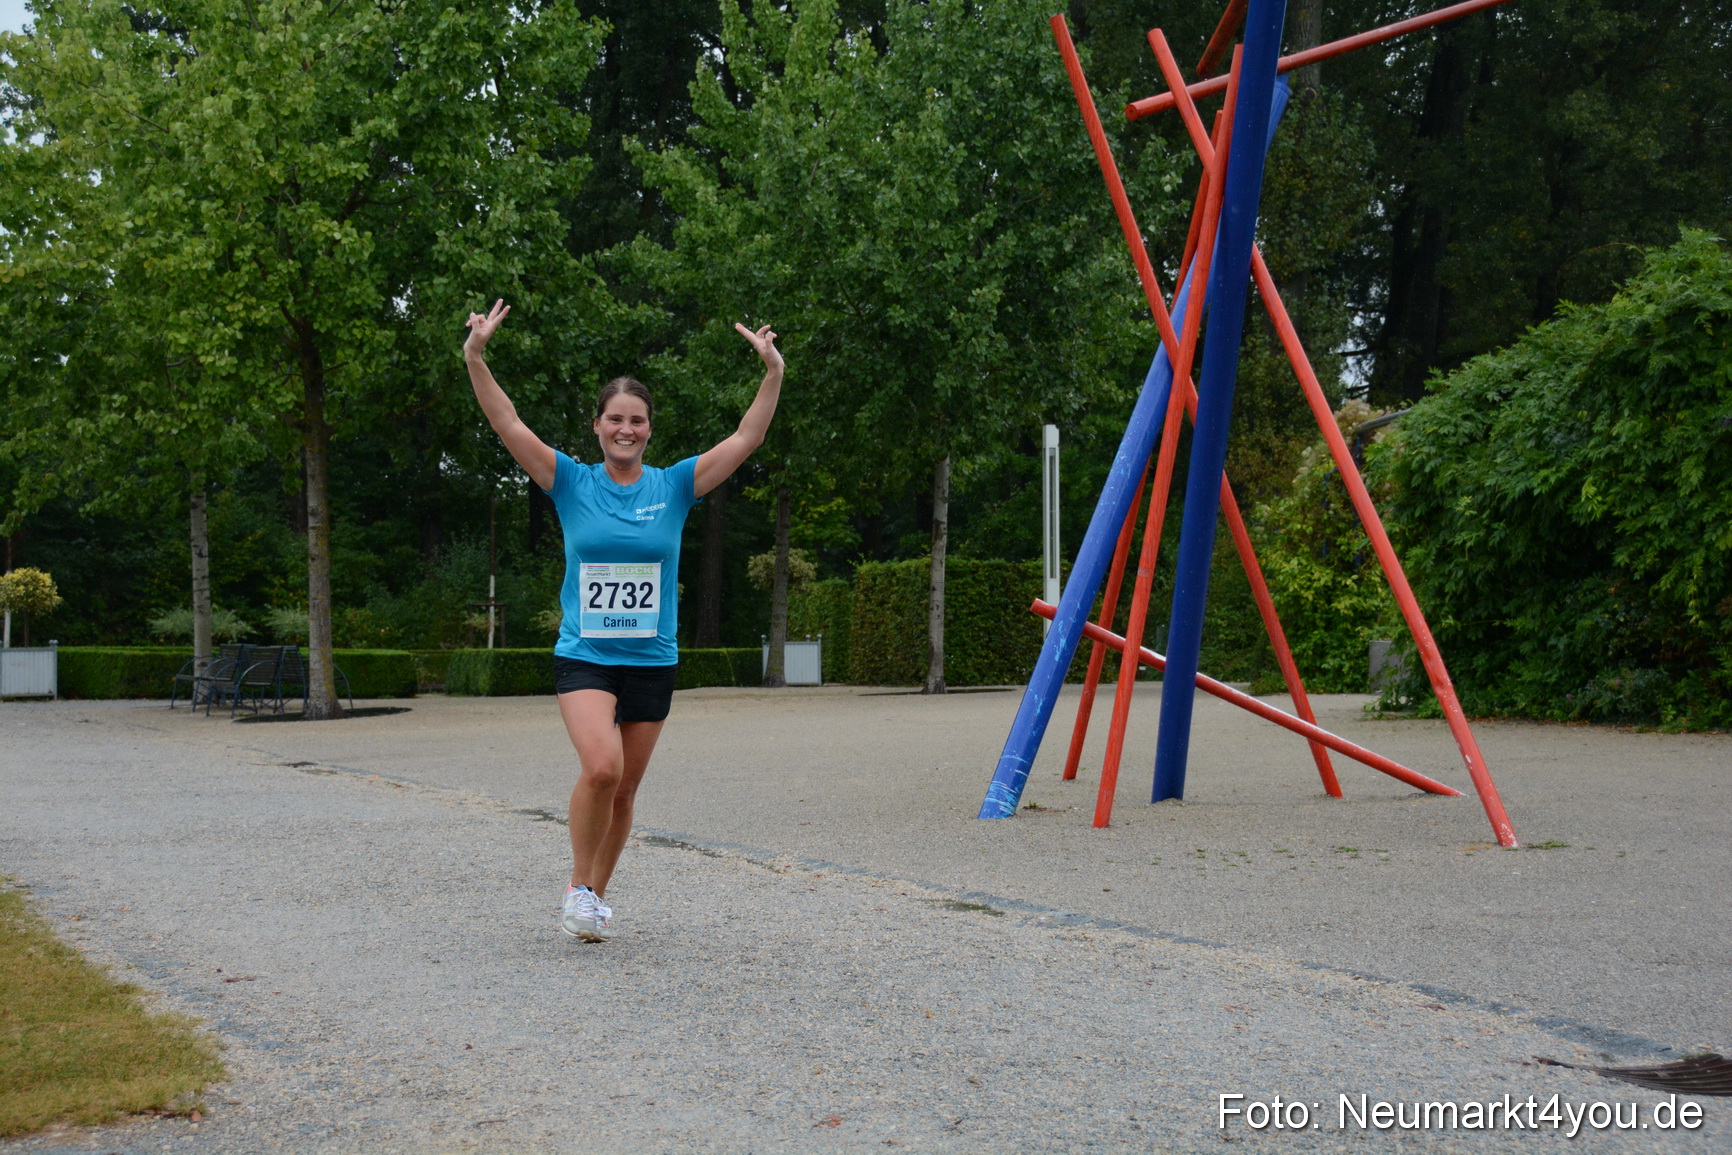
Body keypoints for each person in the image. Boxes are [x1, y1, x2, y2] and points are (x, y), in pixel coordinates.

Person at [462, 300, 783, 942]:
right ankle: (578, 887)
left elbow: (747, 438)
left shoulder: (676, 486)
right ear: (598, 426)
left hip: (652, 660)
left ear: (649, 429)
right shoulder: (570, 481)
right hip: (585, 654)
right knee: (602, 767)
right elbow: (506, 422)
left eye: (637, 420)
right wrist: (475, 356)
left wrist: (771, 372)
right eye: (616, 419)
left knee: (626, 791)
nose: (626, 429)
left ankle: (594, 900)